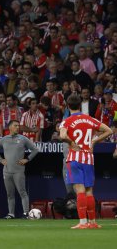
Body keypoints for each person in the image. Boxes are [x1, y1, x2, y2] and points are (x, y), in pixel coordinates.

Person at [59, 94, 112, 229]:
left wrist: (71, 142)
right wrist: (94, 141)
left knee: (80, 190)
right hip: (88, 158)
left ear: (68, 105)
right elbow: (109, 130)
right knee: (89, 191)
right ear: (80, 104)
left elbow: (62, 135)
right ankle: (93, 222)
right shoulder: (90, 119)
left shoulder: (67, 121)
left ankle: (82, 222)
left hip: (75, 158)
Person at [0, 120, 39, 219]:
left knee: (22, 192)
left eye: (18, 126)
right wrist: (1, 160)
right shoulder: (4, 139)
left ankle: (26, 213)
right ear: (10, 127)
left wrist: (27, 159)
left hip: (18, 170)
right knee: (10, 194)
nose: (18, 127)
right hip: (7, 171)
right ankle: (11, 214)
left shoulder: (23, 139)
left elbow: (35, 149)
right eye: (15, 125)